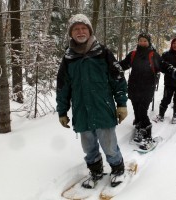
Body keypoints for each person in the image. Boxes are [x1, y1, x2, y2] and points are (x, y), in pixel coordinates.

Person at [56, 14, 128, 189]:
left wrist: (122, 104)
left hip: (103, 108)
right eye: (76, 29)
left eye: (83, 28)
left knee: (109, 145)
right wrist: (62, 111)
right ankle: (95, 171)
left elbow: (118, 79)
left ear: (89, 31)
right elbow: (63, 87)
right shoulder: (68, 59)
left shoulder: (103, 53)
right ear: (71, 34)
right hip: (82, 112)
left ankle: (118, 169)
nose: (80, 32)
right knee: (88, 147)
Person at [119, 33, 176, 149]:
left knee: (142, 111)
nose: (142, 43)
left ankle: (147, 133)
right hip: (133, 87)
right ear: (138, 42)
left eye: (145, 41)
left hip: (147, 88)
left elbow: (164, 66)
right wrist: (111, 67)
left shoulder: (153, 55)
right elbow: (122, 65)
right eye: (141, 40)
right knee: (136, 110)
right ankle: (139, 128)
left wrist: (174, 71)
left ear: (149, 42)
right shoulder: (133, 54)